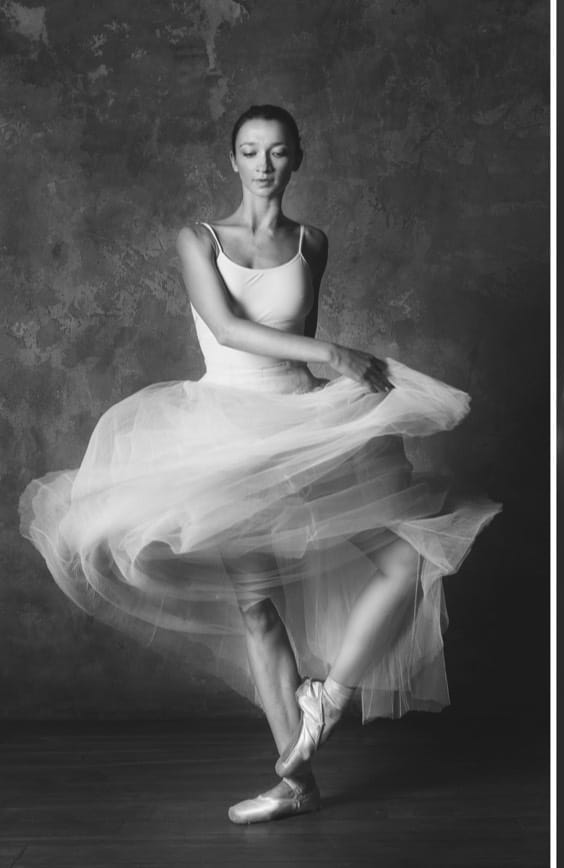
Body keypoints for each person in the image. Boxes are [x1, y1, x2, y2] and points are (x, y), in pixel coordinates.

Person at [19, 104, 501, 824]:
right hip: (226, 431)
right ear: (232, 160)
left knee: (408, 560)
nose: (264, 165)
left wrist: (327, 383)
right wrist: (334, 353)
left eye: (277, 152)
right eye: (250, 151)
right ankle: (296, 784)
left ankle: (327, 697)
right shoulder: (198, 239)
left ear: (298, 157)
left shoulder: (313, 241)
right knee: (258, 607)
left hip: (301, 424)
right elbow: (228, 328)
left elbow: (291, 342)